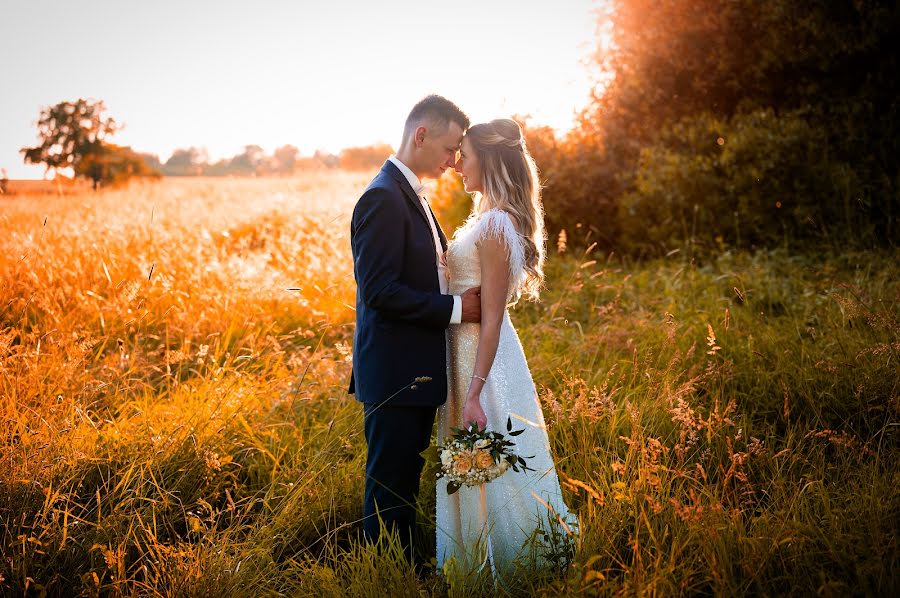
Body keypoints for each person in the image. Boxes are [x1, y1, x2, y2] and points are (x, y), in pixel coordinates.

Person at [436, 119, 577, 578]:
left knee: (488, 453)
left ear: (489, 161)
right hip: (465, 355)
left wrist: (475, 392)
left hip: (483, 362)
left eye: (466, 156)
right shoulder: (486, 217)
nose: (458, 164)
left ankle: (499, 564)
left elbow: (493, 316)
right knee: (477, 457)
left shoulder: (496, 223)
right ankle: (474, 558)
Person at [349, 95, 482, 563]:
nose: (453, 161)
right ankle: (385, 574)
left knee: (402, 481)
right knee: (390, 486)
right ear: (420, 135)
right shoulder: (382, 198)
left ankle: (399, 567)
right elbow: (380, 293)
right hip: (394, 374)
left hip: (414, 371)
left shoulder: (410, 195)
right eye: (449, 149)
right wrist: (455, 309)